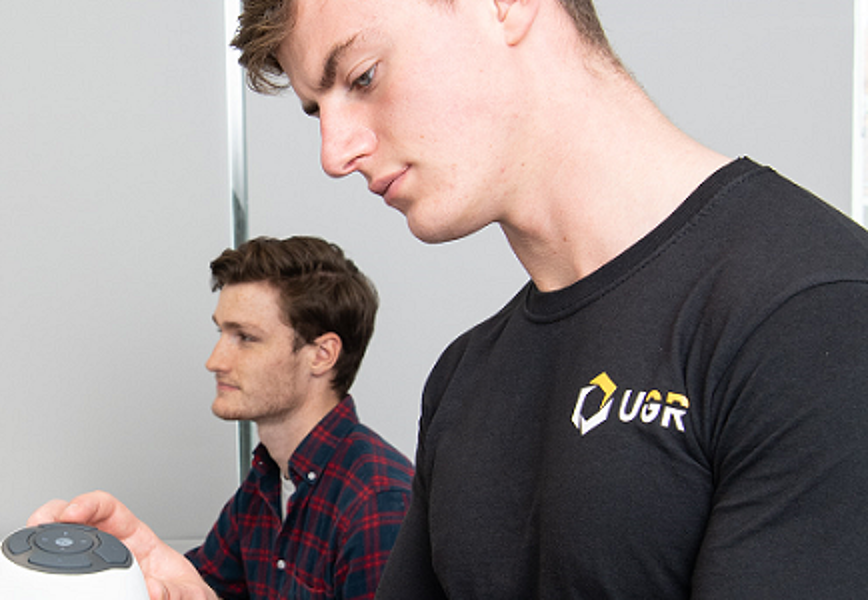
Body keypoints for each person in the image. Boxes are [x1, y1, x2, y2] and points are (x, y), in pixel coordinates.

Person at [220, 0, 868, 598]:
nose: (335, 154)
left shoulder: (816, 316)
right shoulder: (464, 377)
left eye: (362, 77)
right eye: (318, 108)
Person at [29, 235, 413, 599]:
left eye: (245, 337)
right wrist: (133, 570)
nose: (215, 361)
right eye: (221, 333)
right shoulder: (266, 483)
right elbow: (204, 586)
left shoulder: (378, 503)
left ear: (321, 354)